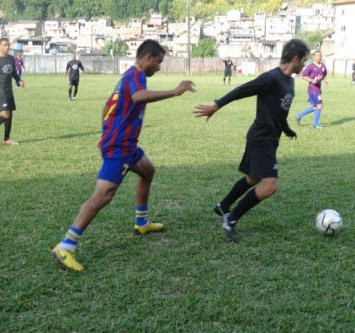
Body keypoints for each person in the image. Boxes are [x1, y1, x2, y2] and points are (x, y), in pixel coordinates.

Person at [52, 40, 195, 271]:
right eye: (158, 62)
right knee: (102, 196)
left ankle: (141, 223)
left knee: (148, 171)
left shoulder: (129, 75)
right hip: (119, 147)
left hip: (127, 145)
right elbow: (139, 97)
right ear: (147, 57)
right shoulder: (136, 75)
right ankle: (65, 246)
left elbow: (108, 106)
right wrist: (175, 91)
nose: (158, 67)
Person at [194, 39, 309, 242]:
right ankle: (231, 218)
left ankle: (223, 206)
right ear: (295, 58)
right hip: (261, 138)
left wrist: (286, 128)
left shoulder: (289, 81)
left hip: (269, 138)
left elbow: (280, 111)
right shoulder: (271, 78)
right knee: (270, 185)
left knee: (253, 178)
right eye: (304, 61)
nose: (304, 65)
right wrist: (217, 105)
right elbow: (243, 90)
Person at [295, 51, 328, 129]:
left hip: (318, 89)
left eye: (320, 56)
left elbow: (323, 75)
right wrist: (311, 80)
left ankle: (298, 115)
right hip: (312, 90)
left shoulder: (323, 66)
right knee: (320, 105)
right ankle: (315, 125)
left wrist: (324, 79)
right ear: (313, 57)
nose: (318, 57)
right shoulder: (310, 66)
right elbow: (303, 76)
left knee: (315, 107)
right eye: (317, 56)